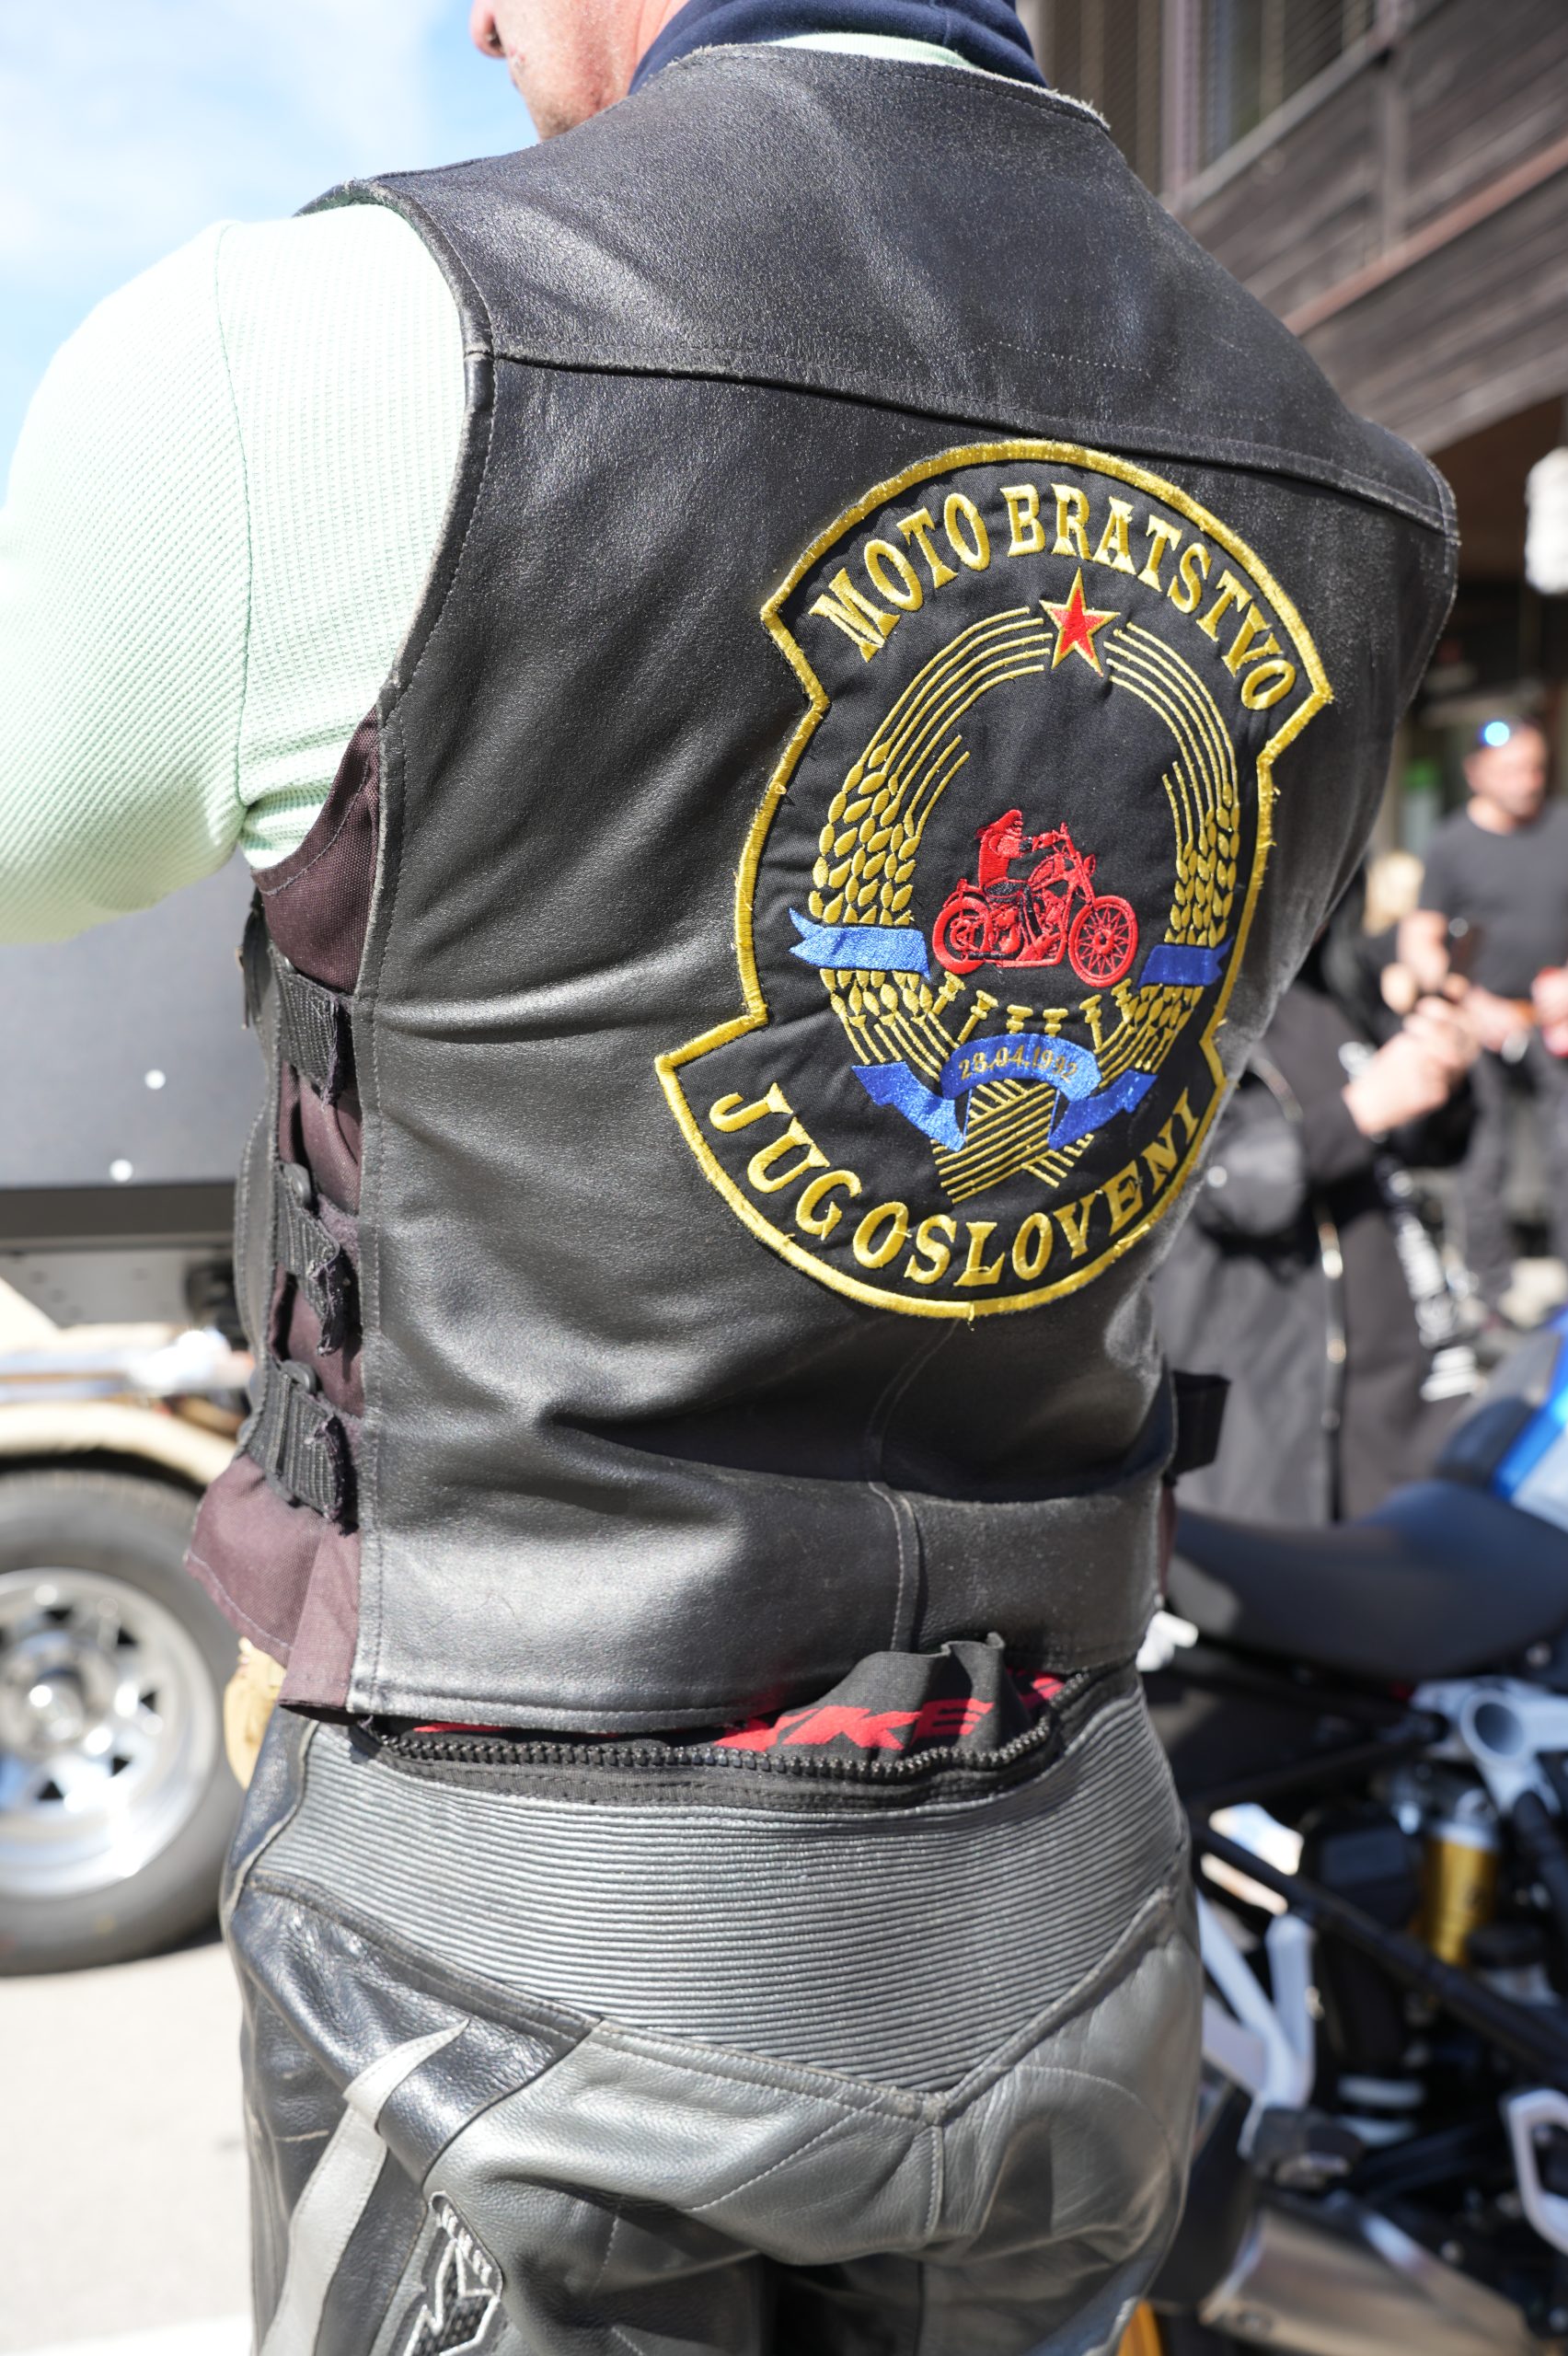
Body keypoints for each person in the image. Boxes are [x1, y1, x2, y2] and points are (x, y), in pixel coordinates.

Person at [0, 2, 1457, 2348]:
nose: (482, 30)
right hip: (1064, 1883)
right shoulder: (1355, 484)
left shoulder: (342, 337)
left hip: (511, 1907)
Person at [1154, 931, 1478, 1526]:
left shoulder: (1335, 985)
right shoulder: (1186, 1002)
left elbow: (1416, 1145)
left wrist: (1444, 1075)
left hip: (1408, 1385)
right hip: (1289, 1412)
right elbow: (1225, 1183)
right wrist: (1363, 1110)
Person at [1401, 718, 1568, 1326]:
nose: (1526, 781)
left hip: (1555, 1025)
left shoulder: (1563, 827)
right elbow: (1420, 939)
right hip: (1481, 1023)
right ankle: (1490, 1298)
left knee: (1567, 1147)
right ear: (1475, 774)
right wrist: (1470, 1001)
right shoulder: (1451, 844)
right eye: (1510, 770)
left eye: (1534, 767)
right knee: (1483, 1155)